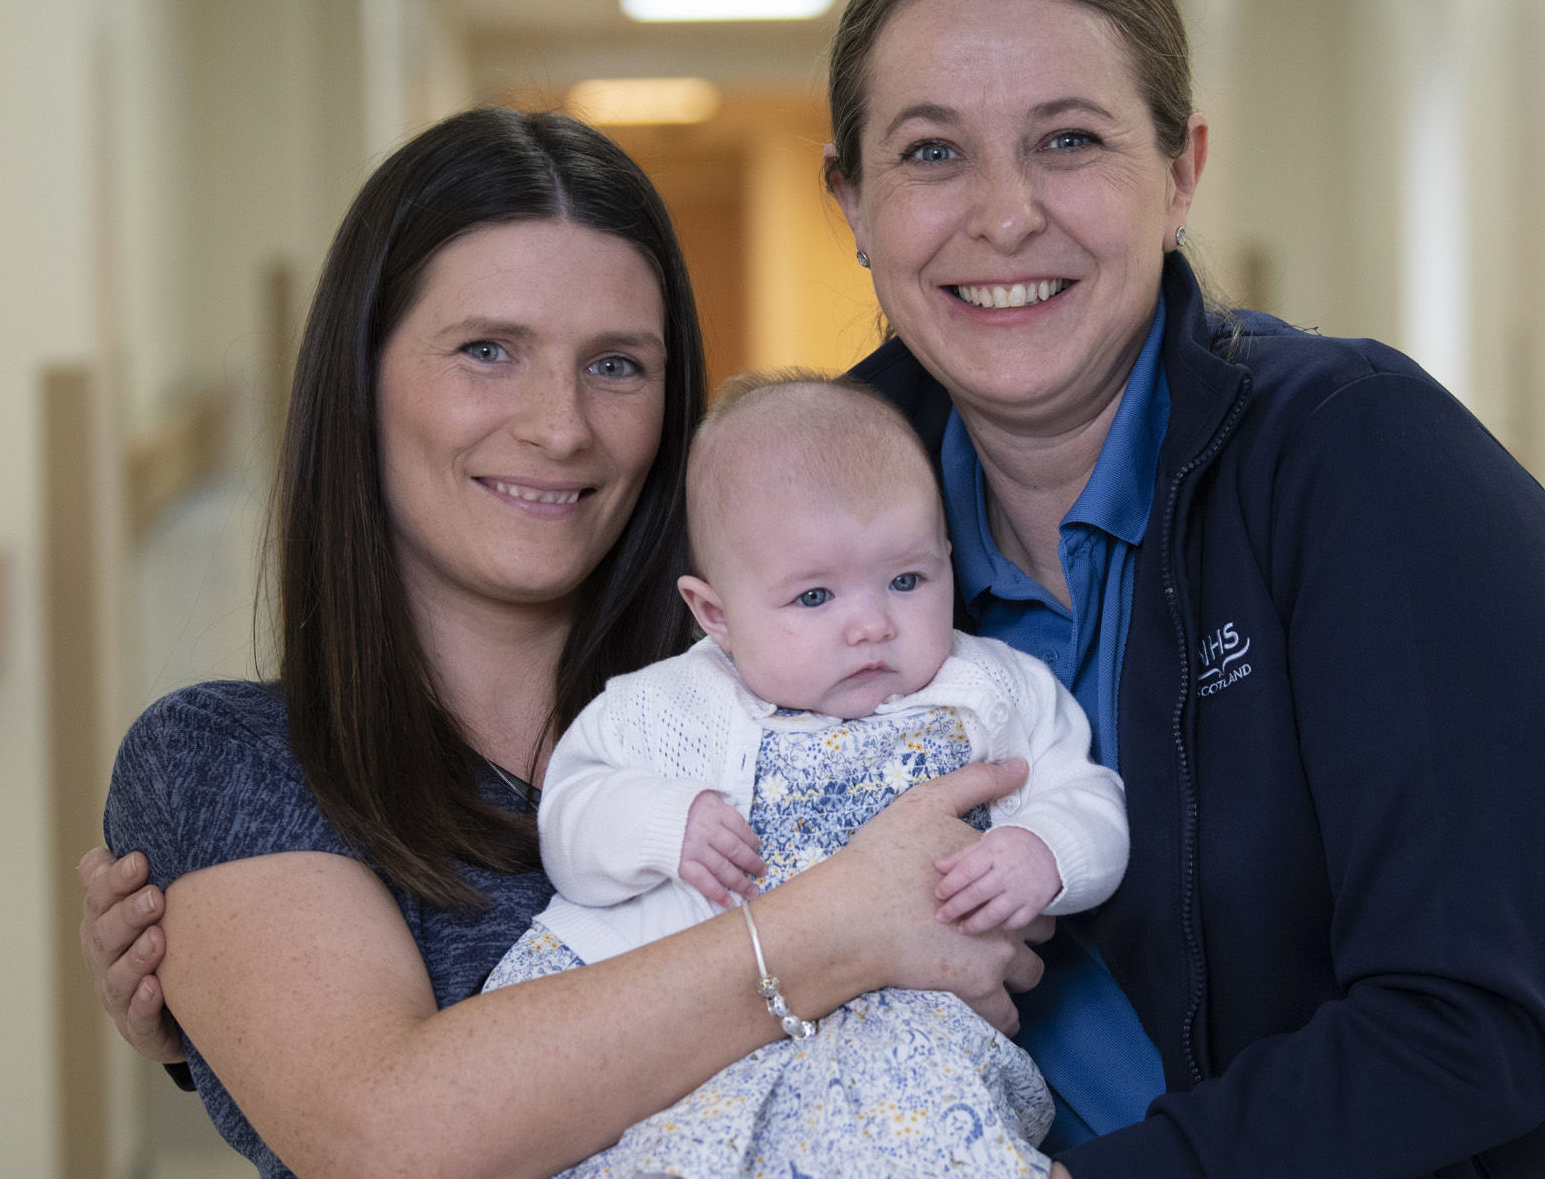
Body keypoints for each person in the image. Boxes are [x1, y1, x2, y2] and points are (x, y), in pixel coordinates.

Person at [89, 0, 1545, 1179]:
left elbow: (1467, 1021)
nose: (1001, 213)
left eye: (1068, 137)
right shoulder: (797, 547)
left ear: (1181, 166)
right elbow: (433, 1065)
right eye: (930, 151)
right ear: (848, 203)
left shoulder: (1361, 464)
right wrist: (234, 1011)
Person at [91, 105, 1045, 1179]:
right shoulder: (230, 757)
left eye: (617, 366)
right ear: (360, 380)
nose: (559, 425)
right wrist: (841, 924)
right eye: (487, 351)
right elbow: (386, 1136)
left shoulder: (833, 678)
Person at [480, 373, 1129, 1177]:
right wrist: (660, 822)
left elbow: (1089, 796)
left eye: (907, 580)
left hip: (901, 1042)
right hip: (686, 1043)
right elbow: (571, 820)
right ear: (715, 614)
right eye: (814, 595)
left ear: (947, 562)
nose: (870, 625)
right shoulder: (666, 709)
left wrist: (1045, 850)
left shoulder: (989, 692)